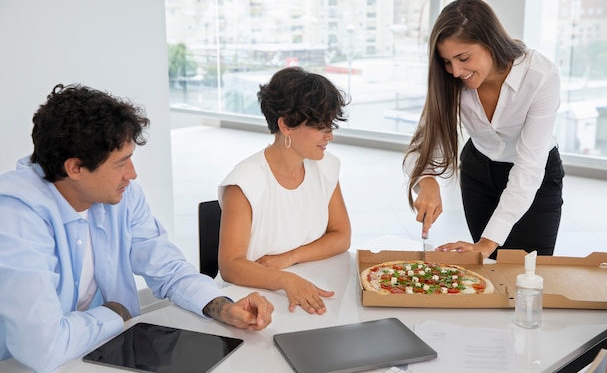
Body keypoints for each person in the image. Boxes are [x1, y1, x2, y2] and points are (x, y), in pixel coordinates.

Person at [0, 84, 274, 373]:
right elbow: (42, 348)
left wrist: (223, 307)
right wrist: (114, 312)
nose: (132, 174)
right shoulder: (15, 216)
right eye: (121, 163)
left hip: (103, 349)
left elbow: (167, 267)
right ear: (75, 168)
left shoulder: (123, 195)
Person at [403, 0, 564, 260]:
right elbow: (423, 143)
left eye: (463, 58)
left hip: (535, 175)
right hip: (478, 171)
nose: (455, 71)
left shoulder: (540, 76)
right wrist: (427, 180)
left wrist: (487, 242)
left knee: (531, 271)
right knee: (490, 269)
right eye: (446, 61)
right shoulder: (450, 81)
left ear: (490, 43)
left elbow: (529, 166)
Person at [218, 66, 351, 315]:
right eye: (321, 127)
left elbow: (341, 236)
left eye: (330, 126)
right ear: (286, 125)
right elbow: (230, 266)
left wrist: (290, 258)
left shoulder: (326, 167)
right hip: (250, 305)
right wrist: (285, 279)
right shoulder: (245, 182)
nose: (330, 136)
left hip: (305, 288)